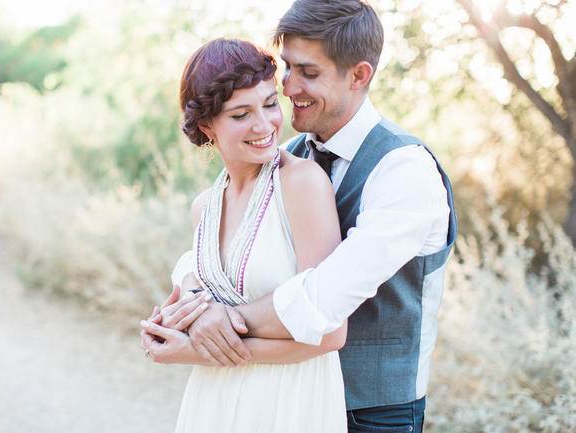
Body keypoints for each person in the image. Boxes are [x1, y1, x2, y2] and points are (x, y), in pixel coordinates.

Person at [146, 1, 458, 432]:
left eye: (308, 73)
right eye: (287, 68)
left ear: (359, 75)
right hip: (275, 398)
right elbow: (222, 250)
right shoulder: (285, 158)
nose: (289, 87)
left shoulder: (404, 171)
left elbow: (322, 300)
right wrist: (198, 300)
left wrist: (212, 325)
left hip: (374, 413)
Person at [140, 38, 348, 432]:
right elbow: (202, 304)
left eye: (270, 104)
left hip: (291, 401)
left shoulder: (302, 183)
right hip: (214, 400)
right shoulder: (204, 207)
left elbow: (330, 333)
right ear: (207, 126)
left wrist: (196, 352)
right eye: (240, 115)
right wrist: (169, 326)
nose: (264, 124)